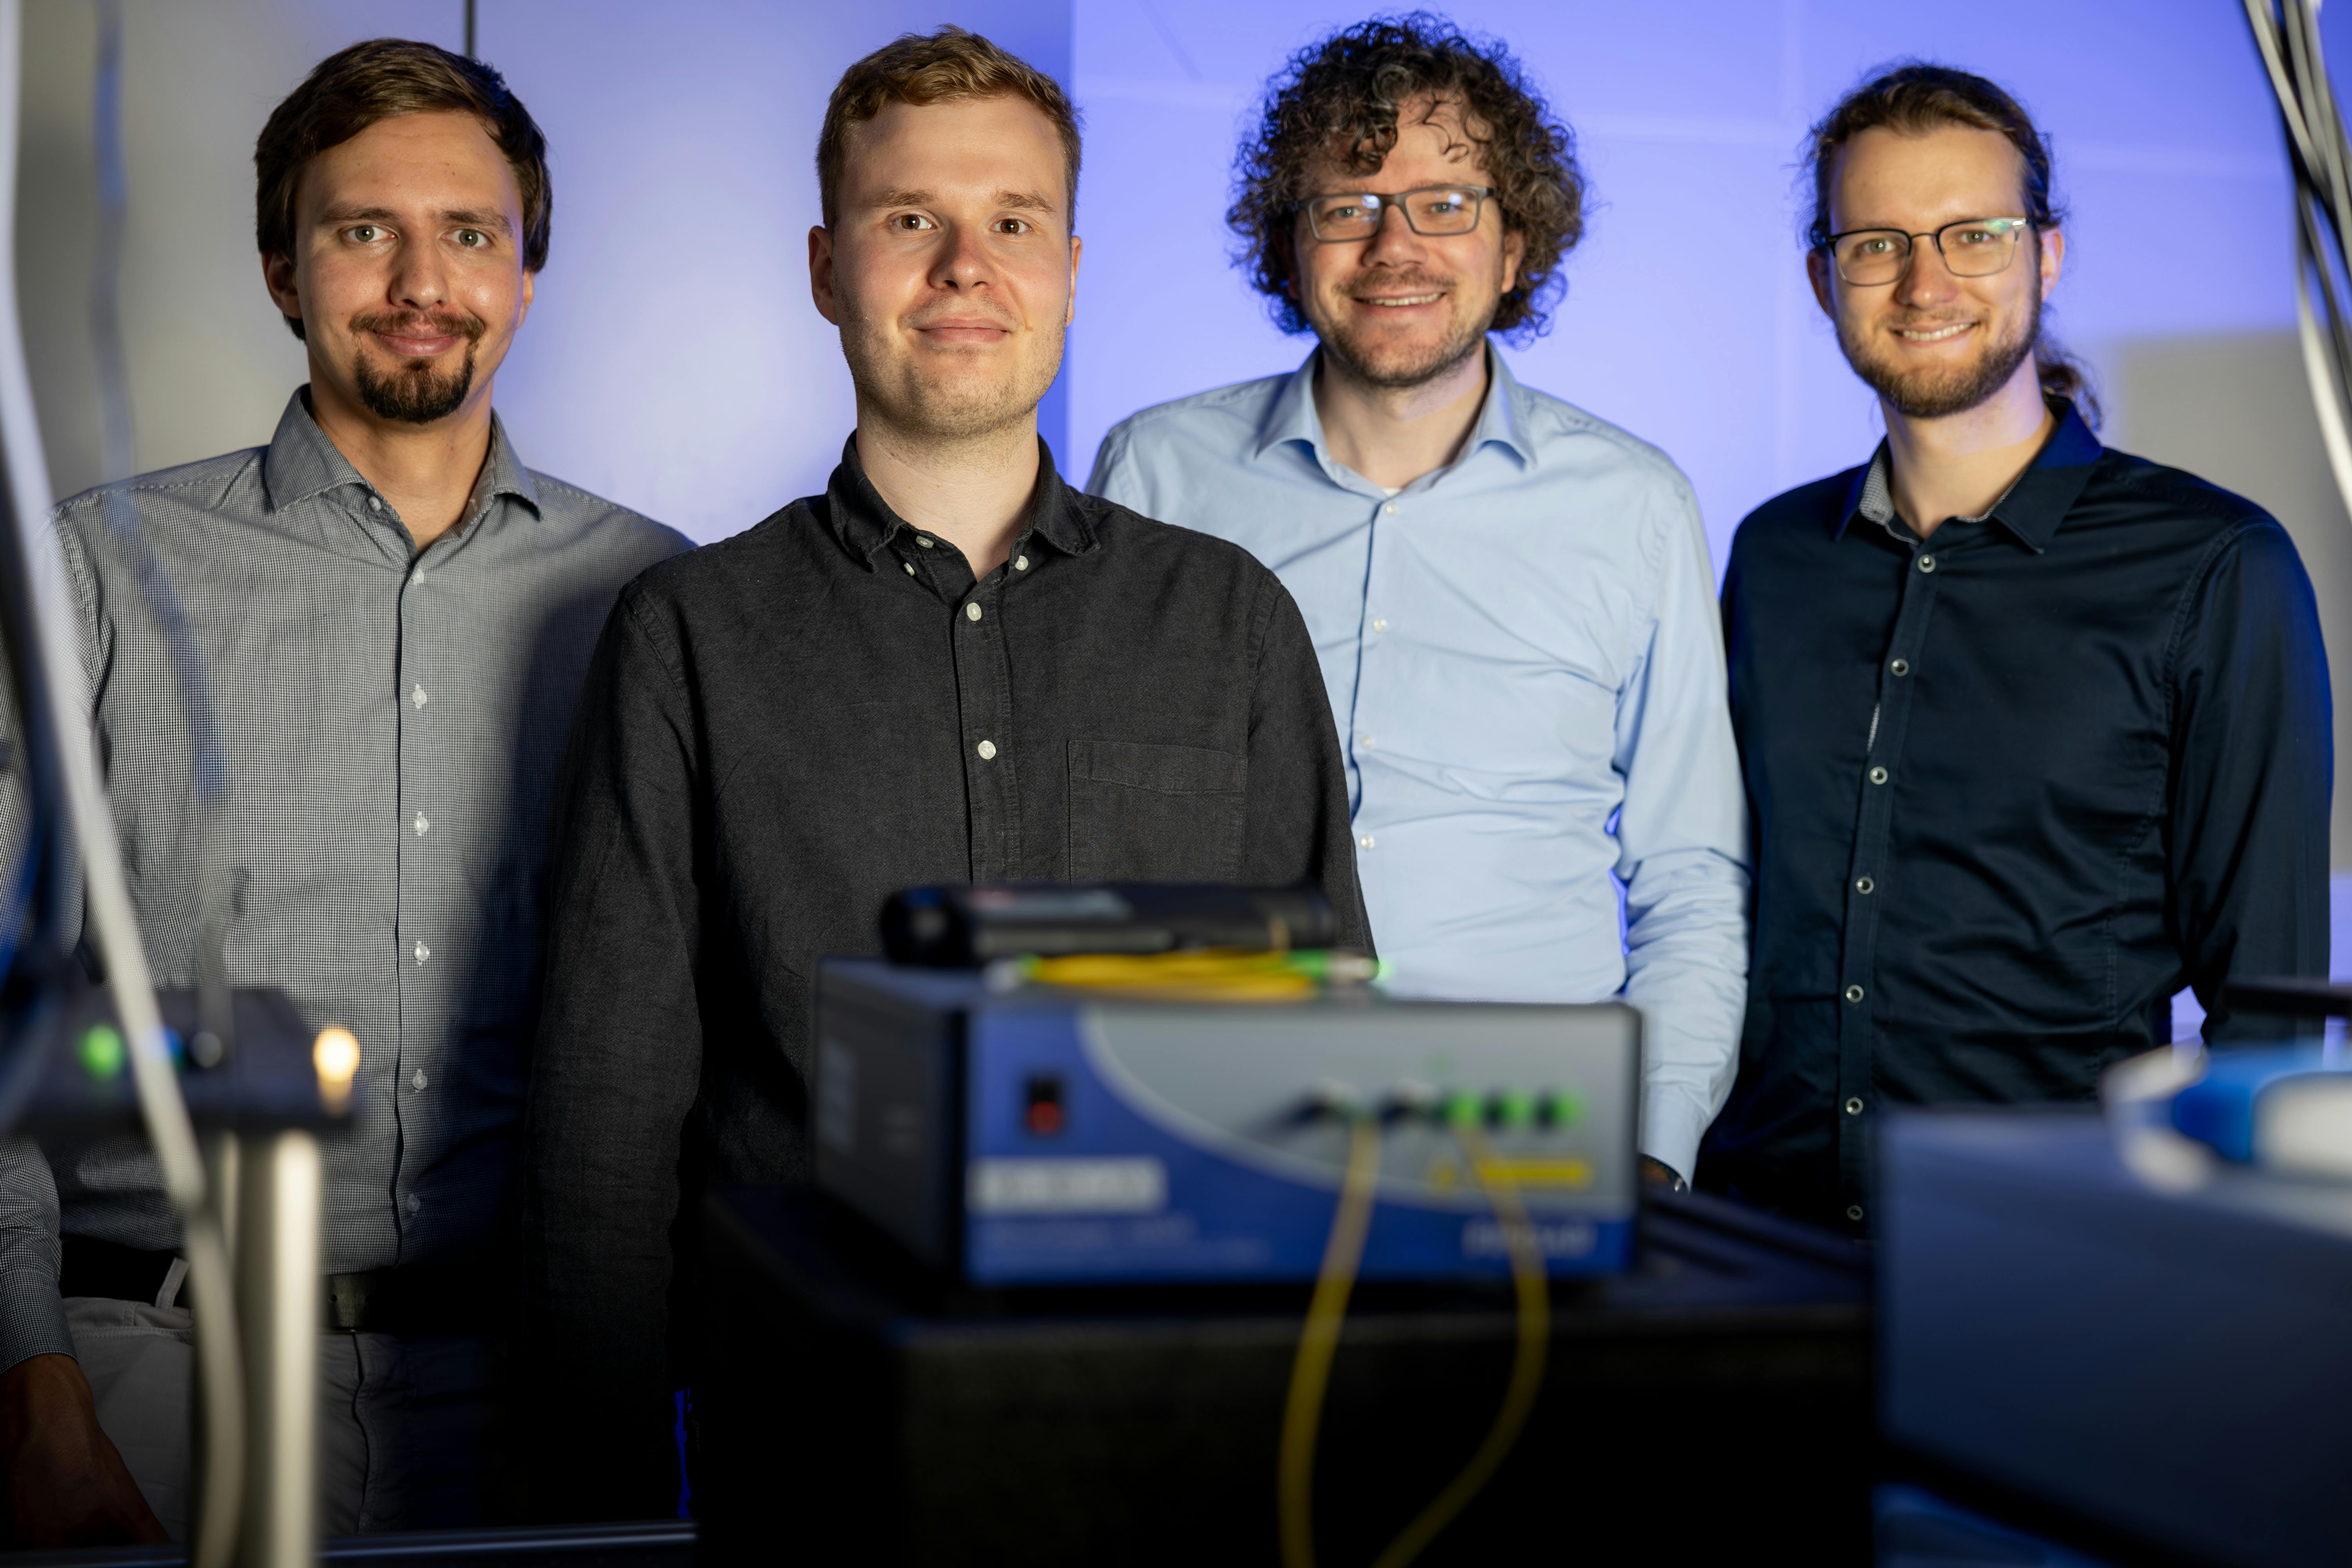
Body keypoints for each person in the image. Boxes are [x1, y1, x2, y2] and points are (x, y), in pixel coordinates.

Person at [524, 25, 1367, 1517]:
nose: (965, 266)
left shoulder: (1230, 619)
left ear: (1070, 266)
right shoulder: (689, 633)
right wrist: (595, 1503)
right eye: (912, 218)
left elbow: (1322, 1057)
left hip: (1178, 1428)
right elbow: (610, 1099)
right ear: (824, 265)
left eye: (1014, 223)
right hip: (806, 1433)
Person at [0, 39, 687, 1543]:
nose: (418, 279)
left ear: (527, 272)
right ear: (279, 267)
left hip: (542, 1383)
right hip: (156, 1374)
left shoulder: (657, 596)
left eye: (471, 235)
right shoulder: (96, 574)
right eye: (362, 229)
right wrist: (27, 1381)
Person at [1087, 16, 1747, 1189]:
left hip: (1536, 1128)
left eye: (1447, 203)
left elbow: (1691, 874)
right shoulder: (1154, 475)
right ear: (1291, 245)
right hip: (1219, 1115)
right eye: (1347, 206)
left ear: (1518, 244)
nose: (1395, 245)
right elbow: (1088, 823)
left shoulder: (1638, 505)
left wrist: (1651, 1150)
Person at [1698, 64, 2332, 1230]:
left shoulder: (2217, 566)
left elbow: (2269, 1013)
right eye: (1877, 241)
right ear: (1822, 277)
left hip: (2056, 1252)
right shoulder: (1774, 556)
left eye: (1973, 235)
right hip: (1756, 1235)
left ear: (2045, 255)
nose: (1925, 281)